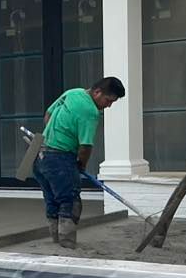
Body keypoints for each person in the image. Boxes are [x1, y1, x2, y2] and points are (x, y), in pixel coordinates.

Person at [35, 77, 126, 249]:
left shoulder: (73, 92)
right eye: (108, 100)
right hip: (60, 158)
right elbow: (85, 146)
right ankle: (67, 243)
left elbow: (48, 114)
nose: (109, 106)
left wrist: (55, 135)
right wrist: (81, 164)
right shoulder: (90, 112)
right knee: (70, 200)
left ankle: (56, 240)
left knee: (52, 199)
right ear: (97, 92)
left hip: (40, 156)